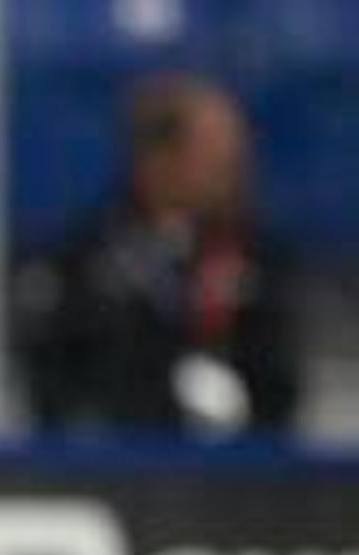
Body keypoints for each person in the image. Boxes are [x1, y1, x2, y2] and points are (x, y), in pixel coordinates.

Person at [16, 72, 302, 436]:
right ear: (157, 159)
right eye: (214, 158)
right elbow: (58, 393)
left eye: (235, 157)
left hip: (238, 479)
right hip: (116, 474)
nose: (233, 172)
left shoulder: (260, 259)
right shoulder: (79, 265)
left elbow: (280, 387)